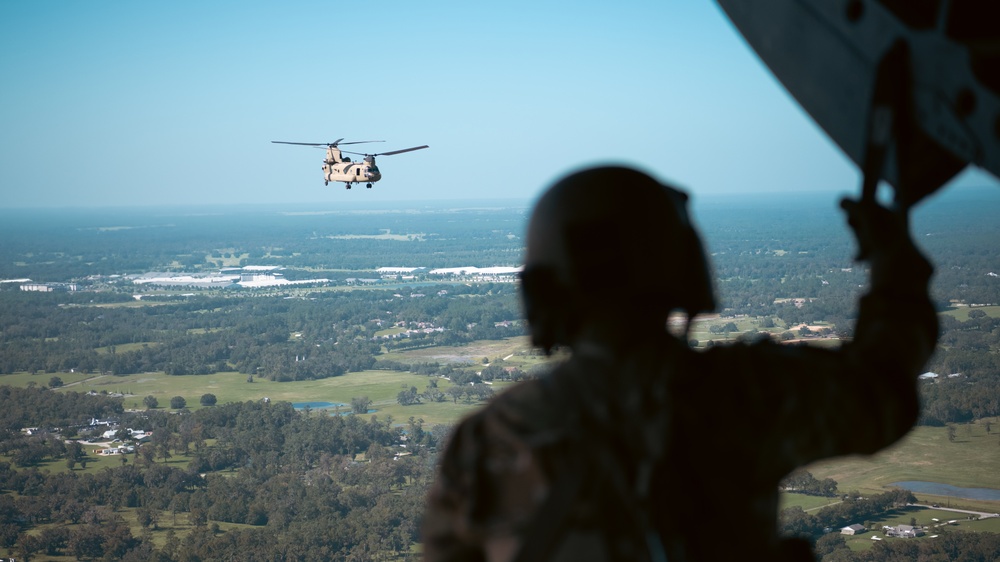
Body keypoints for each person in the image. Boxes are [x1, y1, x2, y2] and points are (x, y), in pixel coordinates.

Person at [422, 165, 938, 561]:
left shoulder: (488, 438)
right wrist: (896, 267)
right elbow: (881, 390)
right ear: (682, 264)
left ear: (543, 291)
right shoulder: (748, 393)